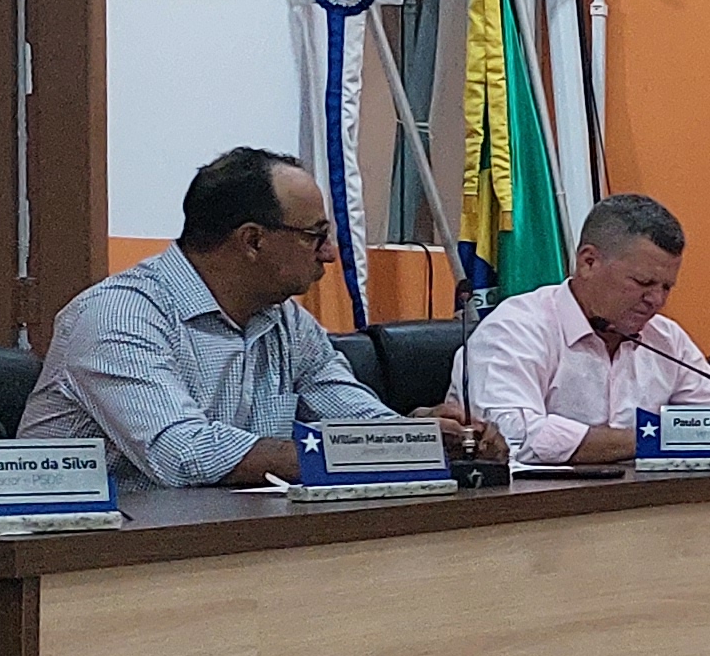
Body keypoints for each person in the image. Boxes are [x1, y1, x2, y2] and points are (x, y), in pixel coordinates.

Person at [25, 144, 499, 485]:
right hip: (87, 561)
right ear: (252, 241)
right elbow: (184, 455)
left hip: (229, 546)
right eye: (315, 236)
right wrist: (376, 452)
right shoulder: (120, 317)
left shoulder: (287, 323)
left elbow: (352, 416)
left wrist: (423, 436)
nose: (329, 254)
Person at [458, 192, 710, 469]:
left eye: (666, 287)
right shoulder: (514, 329)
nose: (656, 300)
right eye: (643, 282)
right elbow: (511, 435)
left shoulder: (665, 339)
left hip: (646, 495)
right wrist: (653, 439)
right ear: (588, 262)